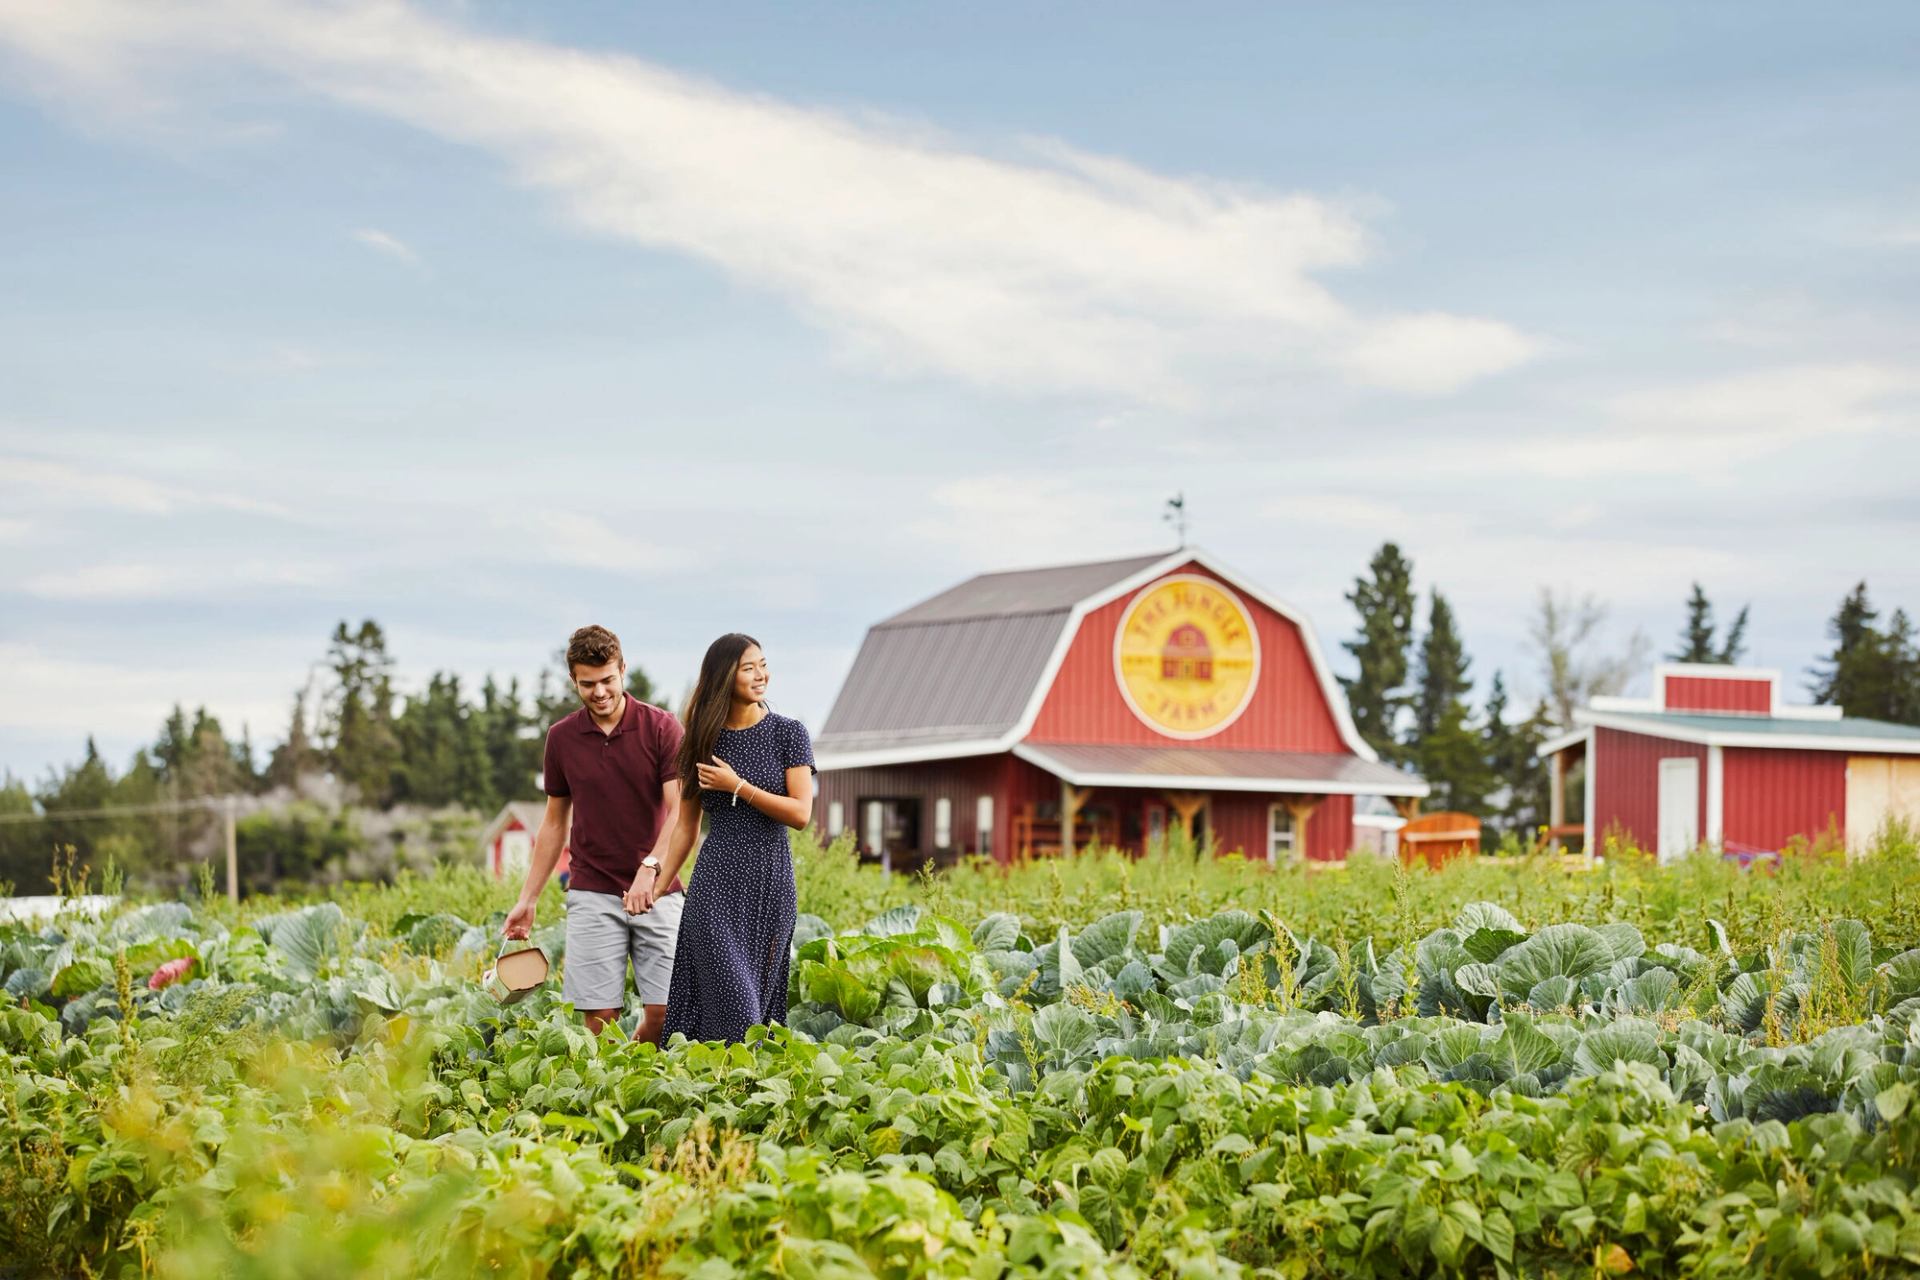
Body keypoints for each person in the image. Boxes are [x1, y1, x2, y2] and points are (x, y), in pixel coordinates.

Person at [630, 632, 813, 1044]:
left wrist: (738, 786)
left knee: (758, 1012)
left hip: (770, 885)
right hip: (715, 887)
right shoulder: (701, 739)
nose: (760, 674)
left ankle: (734, 1096)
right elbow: (685, 826)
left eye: (762, 664)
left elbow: (801, 814)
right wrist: (658, 888)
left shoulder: (789, 734)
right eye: (749, 668)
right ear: (724, 677)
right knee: (738, 1008)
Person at [503, 625, 684, 1042]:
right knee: (598, 1020)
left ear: (623, 670)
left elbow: (678, 812)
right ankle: (611, 1093)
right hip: (592, 888)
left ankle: (635, 1070)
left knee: (665, 1011)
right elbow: (553, 823)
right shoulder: (562, 738)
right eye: (588, 684)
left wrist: (650, 867)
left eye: (608, 680)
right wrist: (527, 899)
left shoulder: (661, 728)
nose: (599, 692)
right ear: (574, 681)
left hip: (658, 890)